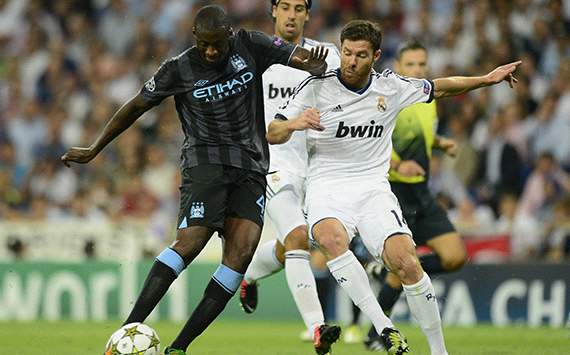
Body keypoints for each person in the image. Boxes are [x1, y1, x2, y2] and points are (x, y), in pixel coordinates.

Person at [61, 5, 329, 355]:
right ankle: (126, 331)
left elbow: (297, 55)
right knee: (191, 241)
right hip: (206, 164)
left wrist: (313, 62)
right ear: (195, 39)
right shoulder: (179, 68)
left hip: (251, 168)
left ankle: (179, 348)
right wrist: (95, 148)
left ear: (229, 36)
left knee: (239, 257)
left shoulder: (250, 44)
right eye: (205, 44)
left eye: (218, 44)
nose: (212, 51)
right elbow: (135, 106)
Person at [267, 20, 520, 355]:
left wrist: (486, 79)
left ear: (376, 56)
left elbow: (441, 87)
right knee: (329, 238)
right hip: (326, 186)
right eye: (346, 53)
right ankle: (385, 327)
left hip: (373, 189)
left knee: (407, 263)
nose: (351, 61)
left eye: (360, 54)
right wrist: (297, 123)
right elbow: (273, 132)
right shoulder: (316, 86)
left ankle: (438, 351)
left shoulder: (390, 87)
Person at [237, 1, 341, 353]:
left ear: (308, 14)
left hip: (321, 168)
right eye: (285, 7)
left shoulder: (327, 55)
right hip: (273, 164)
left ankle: (248, 273)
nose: (292, 14)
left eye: (300, 7)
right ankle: (317, 328)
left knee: (291, 243)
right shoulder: (256, 59)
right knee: (298, 237)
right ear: (274, 12)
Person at [363, 39, 468, 351]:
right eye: (410, 65)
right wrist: (397, 164)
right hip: (394, 194)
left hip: (422, 194)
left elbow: (417, 136)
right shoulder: (387, 97)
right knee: (405, 266)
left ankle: (386, 273)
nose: (417, 70)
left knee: (454, 257)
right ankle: (375, 334)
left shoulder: (427, 97)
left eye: (422, 65)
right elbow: (368, 138)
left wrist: (439, 143)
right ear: (398, 67)